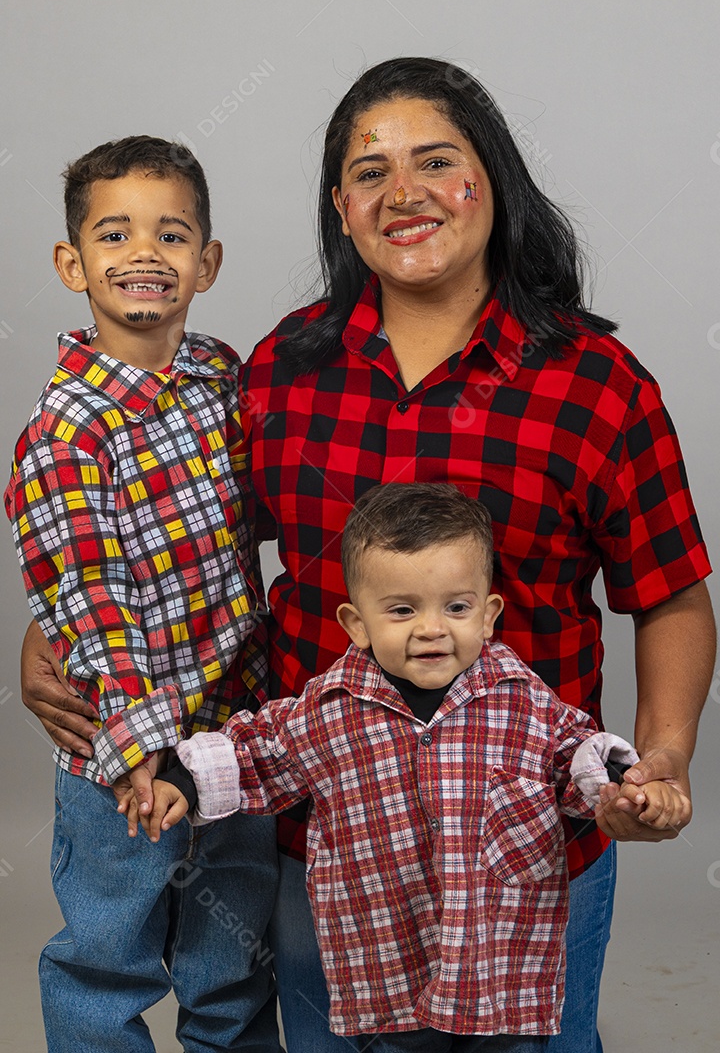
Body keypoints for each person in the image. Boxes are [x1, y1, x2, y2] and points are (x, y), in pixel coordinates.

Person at [19, 58, 716, 1052]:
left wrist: (663, 758)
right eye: (369, 172)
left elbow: (670, 593)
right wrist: (52, 627)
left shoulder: (597, 385)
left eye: (436, 161)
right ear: (341, 210)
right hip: (327, 850)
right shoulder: (281, 372)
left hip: (526, 851)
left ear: (494, 181)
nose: (404, 193)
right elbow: (184, 535)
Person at [123, 483, 679, 1052]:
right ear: (357, 624)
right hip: (386, 963)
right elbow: (258, 751)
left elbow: (576, 756)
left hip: (498, 963)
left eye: (456, 607)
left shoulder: (522, 699)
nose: (432, 628)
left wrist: (626, 786)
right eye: (402, 610)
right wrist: (184, 781)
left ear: (488, 615)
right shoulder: (330, 708)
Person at [4, 137, 282, 1053]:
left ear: (207, 262)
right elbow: (90, 604)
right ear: (71, 263)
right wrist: (138, 752)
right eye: (114, 234)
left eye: (172, 234)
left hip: (231, 740)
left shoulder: (219, 378)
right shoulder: (66, 432)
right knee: (107, 962)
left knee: (233, 960)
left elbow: (256, 523)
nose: (144, 254)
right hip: (121, 759)